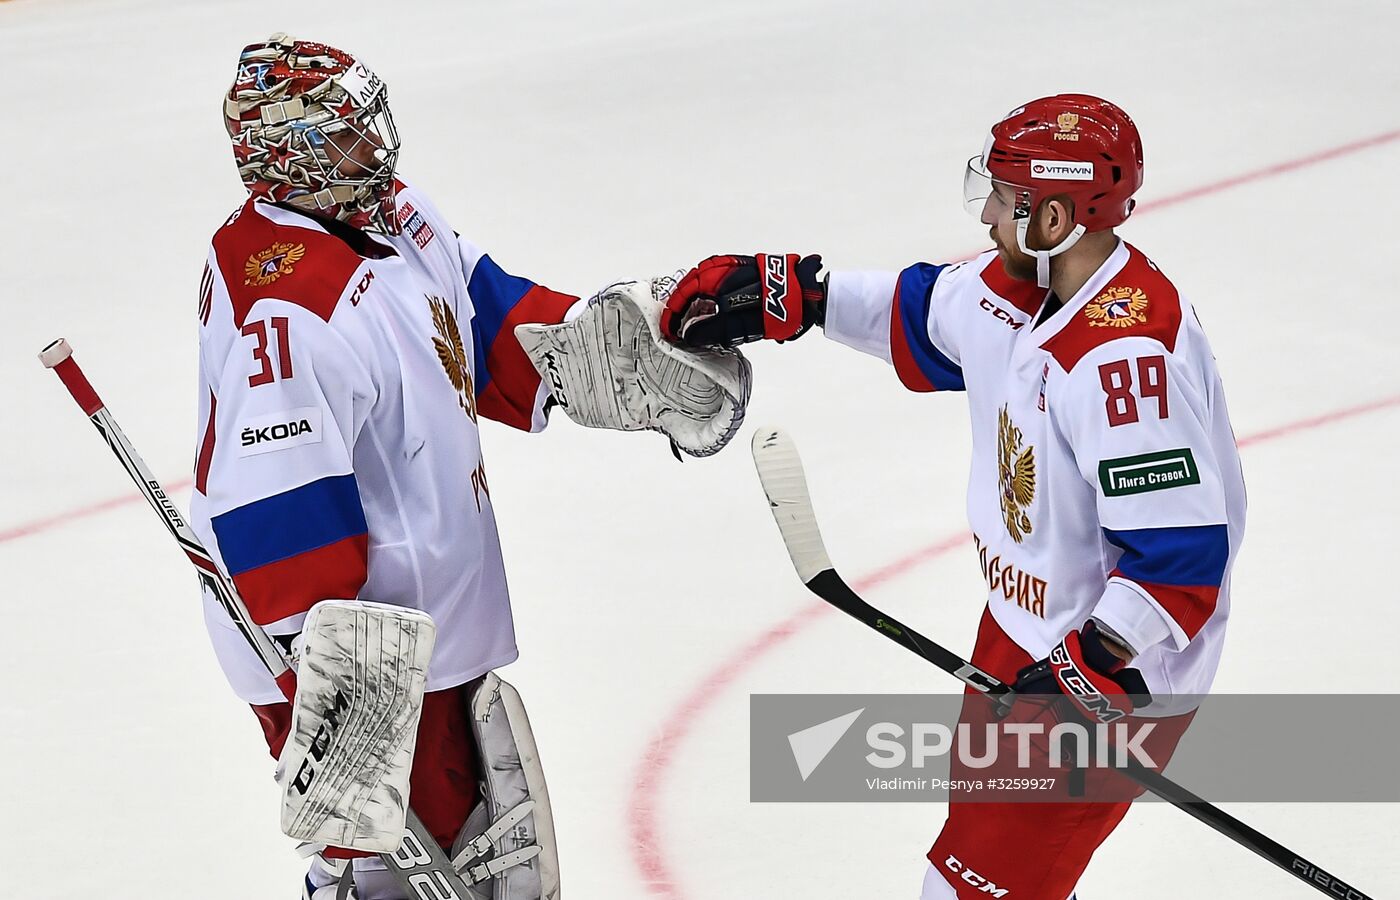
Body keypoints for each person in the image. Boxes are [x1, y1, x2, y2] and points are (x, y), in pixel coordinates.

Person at [190, 34, 747, 900]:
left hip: (423, 626)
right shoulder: (289, 306)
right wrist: (338, 700)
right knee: (392, 876)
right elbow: (281, 513)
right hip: (360, 654)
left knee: (486, 855)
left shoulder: (393, 214)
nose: (374, 147)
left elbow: (486, 318)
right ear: (283, 160)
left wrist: (605, 351)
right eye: (344, 137)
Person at [660, 94, 1246, 899]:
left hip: (1116, 677)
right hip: (1028, 632)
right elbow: (922, 310)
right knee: (980, 867)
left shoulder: (1124, 364)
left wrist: (1092, 664)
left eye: (1006, 202)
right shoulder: (1017, 282)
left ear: (1054, 220)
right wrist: (799, 293)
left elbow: (1181, 563)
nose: (989, 219)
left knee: (975, 887)